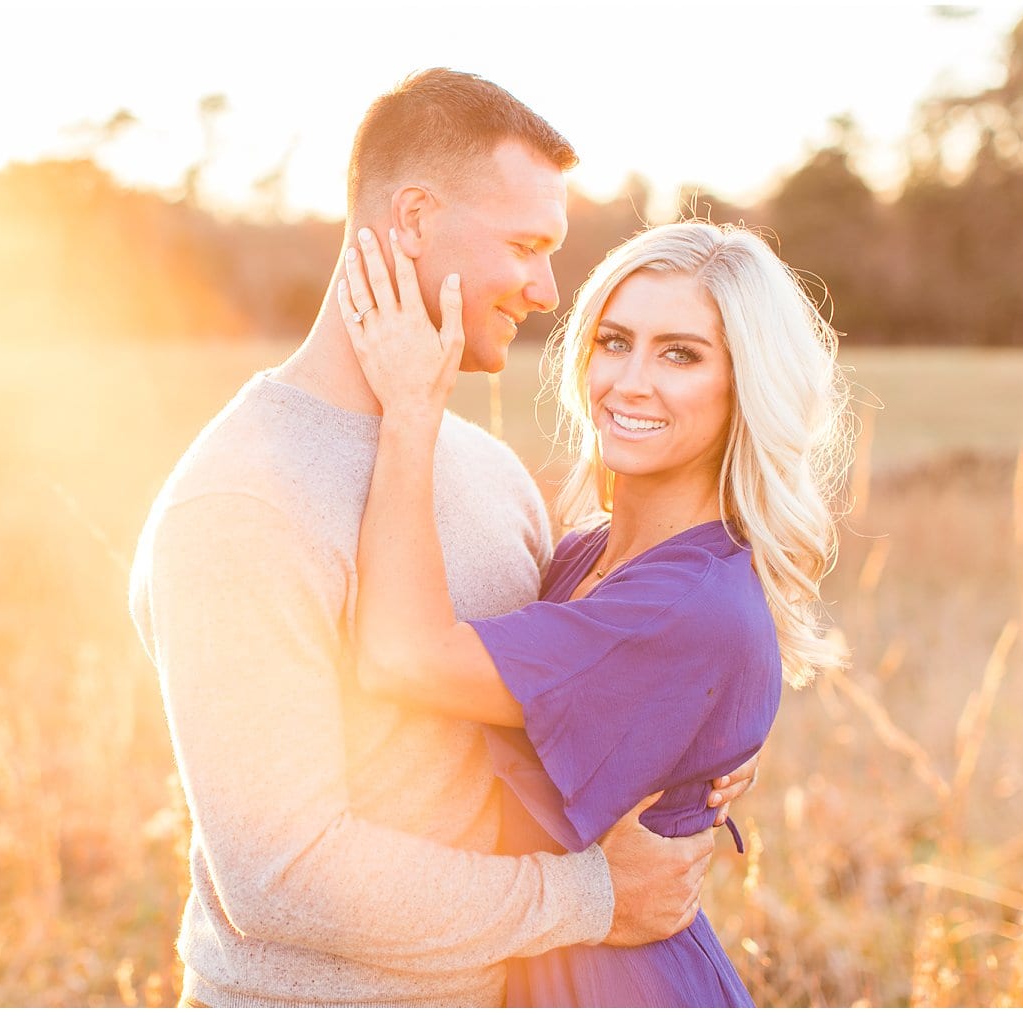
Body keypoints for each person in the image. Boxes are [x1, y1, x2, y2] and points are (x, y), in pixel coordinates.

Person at [128, 69, 758, 1008]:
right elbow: (280, 875)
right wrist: (589, 896)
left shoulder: (484, 468)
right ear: (414, 218)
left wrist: (687, 729)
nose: (548, 289)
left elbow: (545, 694)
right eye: (524, 245)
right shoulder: (241, 505)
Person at [337, 219, 853, 1005]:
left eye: (679, 353)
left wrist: (411, 408)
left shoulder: (680, 602)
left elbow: (403, 658)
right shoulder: (588, 553)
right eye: (614, 341)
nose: (629, 381)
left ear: (746, 383)